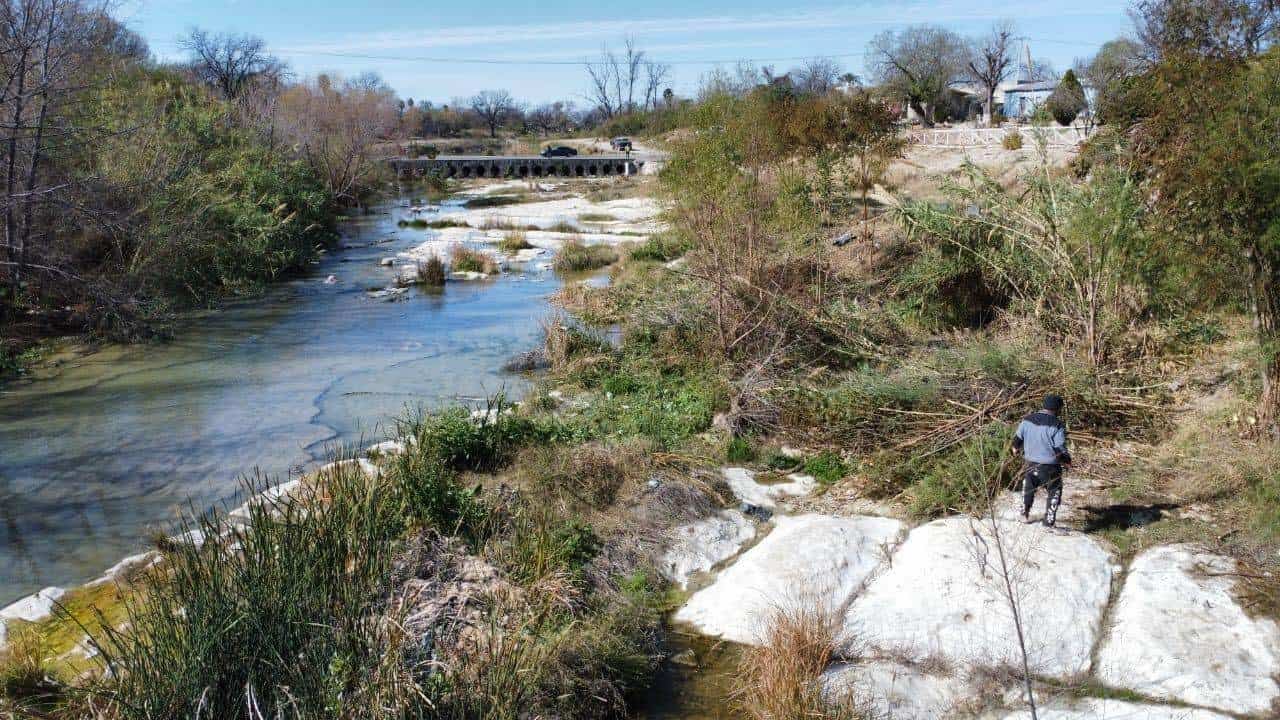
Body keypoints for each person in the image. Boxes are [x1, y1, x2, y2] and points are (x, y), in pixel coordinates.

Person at [1011, 394, 1072, 527]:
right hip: (1050, 467)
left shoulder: (1027, 420)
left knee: (1028, 489)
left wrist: (1016, 451)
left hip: (1030, 464)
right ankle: (1048, 522)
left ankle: (1024, 514)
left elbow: (1016, 443)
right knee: (1054, 491)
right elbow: (1059, 450)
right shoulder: (1057, 425)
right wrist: (1067, 461)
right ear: (1057, 409)